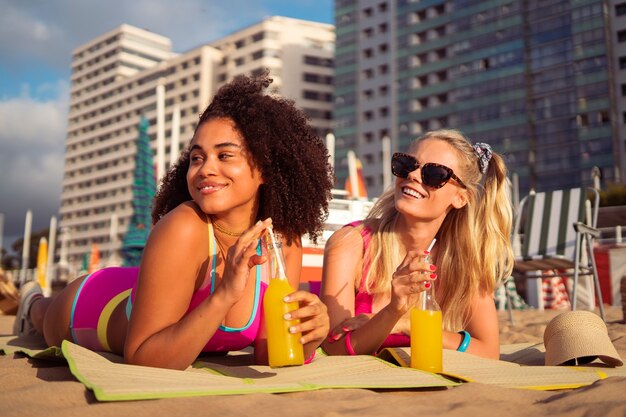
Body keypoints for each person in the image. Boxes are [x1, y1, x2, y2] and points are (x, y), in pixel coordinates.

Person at [13, 73, 333, 370]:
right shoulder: (184, 227)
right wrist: (223, 295)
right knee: (44, 318)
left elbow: (269, 354)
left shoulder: (283, 240)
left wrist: (310, 334)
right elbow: (142, 356)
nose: (204, 169)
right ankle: (32, 303)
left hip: (147, 288)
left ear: (265, 168)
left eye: (224, 155)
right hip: (93, 308)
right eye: (196, 157)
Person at [320, 129, 513, 359]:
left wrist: (408, 324)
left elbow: (489, 352)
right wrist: (393, 311)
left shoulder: (462, 260)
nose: (413, 175)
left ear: (461, 198)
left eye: (435, 174)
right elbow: (334, 349)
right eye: (406, 164)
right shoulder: (350, 243)